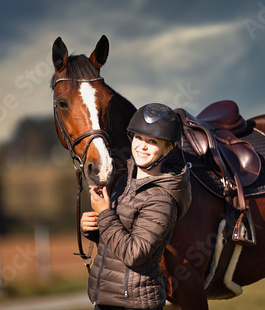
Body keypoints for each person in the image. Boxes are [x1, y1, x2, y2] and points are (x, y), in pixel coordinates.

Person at [80, 103, 192, 310]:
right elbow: (117, 240)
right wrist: (92, 228)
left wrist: (104, 212)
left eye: (152, 142)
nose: (142, 146)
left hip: (134, 302)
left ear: (167, 149)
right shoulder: (124, 182)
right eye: (139, 138)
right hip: (107, 299)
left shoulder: (162, 200)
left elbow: (133, 254)